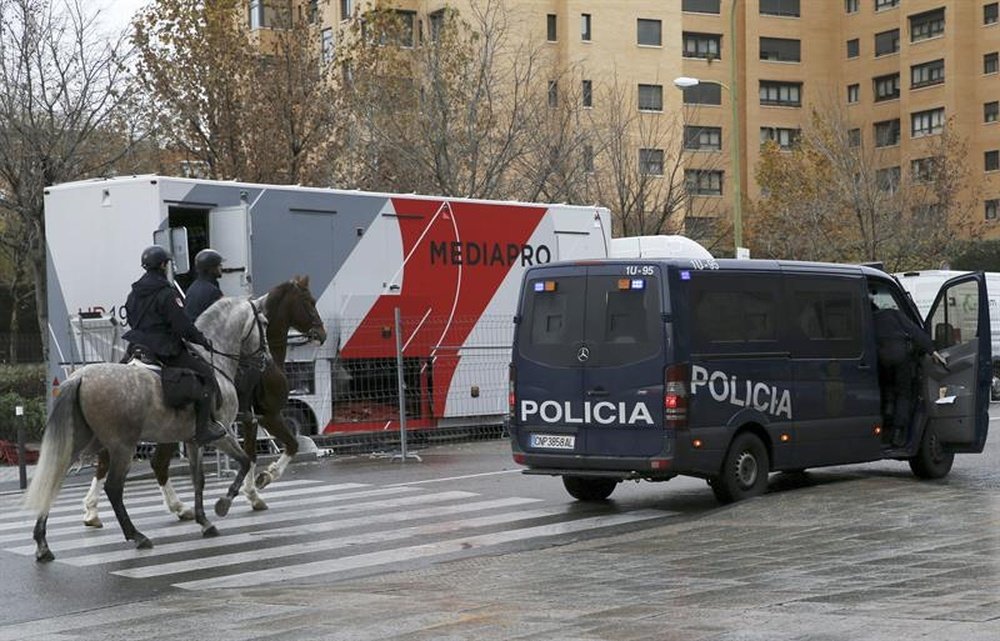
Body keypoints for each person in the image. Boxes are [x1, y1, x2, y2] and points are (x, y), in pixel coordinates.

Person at [122, 246, 227, 445]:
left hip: (136, 346)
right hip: (164, 349)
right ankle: (203, 431)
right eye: (167, 263)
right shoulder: (167, 293)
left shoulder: (133, 293)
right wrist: (202, 341)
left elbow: (130, 317)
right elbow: (182, 325)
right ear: (162, 265)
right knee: (206, 376)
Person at [872, 299, 946, 447]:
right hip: (900, 358)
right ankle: (898, 432)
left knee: (886, 388)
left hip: (880, 359)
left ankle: (886, 415)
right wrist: (932, 350)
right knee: (903, 393)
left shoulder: (867, 320)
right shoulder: (892, 314)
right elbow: (915, 331)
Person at [185, 249, 224, 321]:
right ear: (211, 268)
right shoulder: (213, 291)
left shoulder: (192, 288)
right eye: (219, 265)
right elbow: (222, 318)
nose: (222, 267)